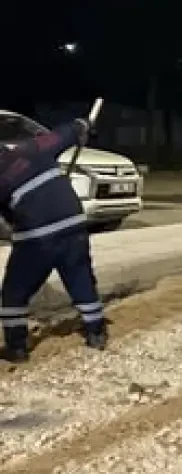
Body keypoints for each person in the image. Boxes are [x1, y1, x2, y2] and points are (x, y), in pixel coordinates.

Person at [0, 118, 106, 362]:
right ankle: (96, 333)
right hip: (73, 225)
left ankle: (17, 347)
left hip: (36, 238)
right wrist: (82, 126)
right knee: (81, 280)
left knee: (14, 294)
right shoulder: (33, 147)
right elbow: (67, 132)